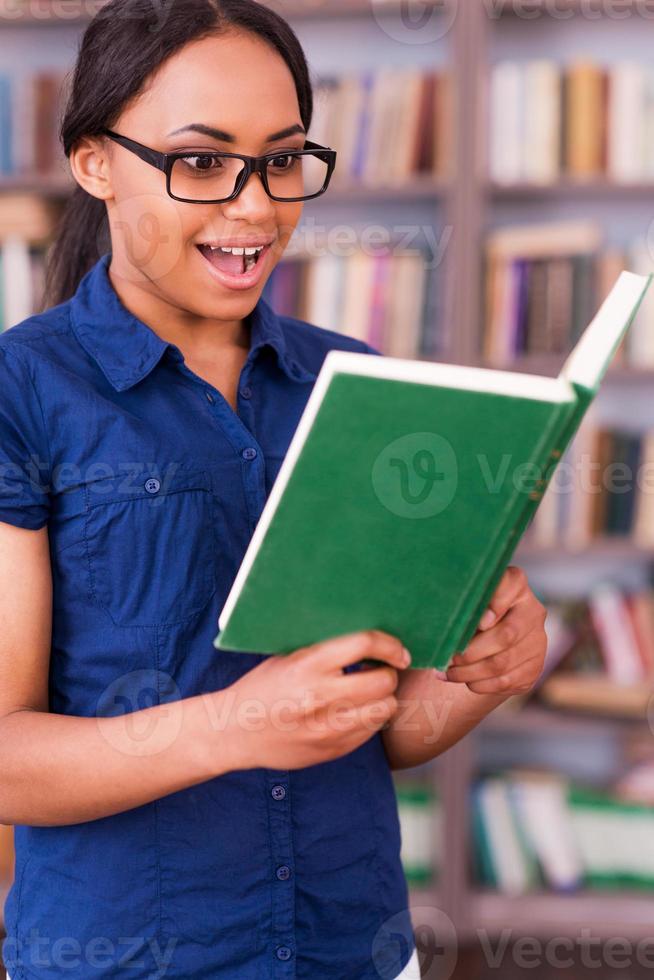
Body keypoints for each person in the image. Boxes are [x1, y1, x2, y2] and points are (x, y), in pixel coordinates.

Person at [0, 0, 548, 977]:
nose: (256, 208)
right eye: (202, 162)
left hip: (356, 948)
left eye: (284, 159)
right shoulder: (23, 391)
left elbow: (380, 730)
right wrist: (231, 723)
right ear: (94, 162)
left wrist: (482, 674)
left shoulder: (357, 383)